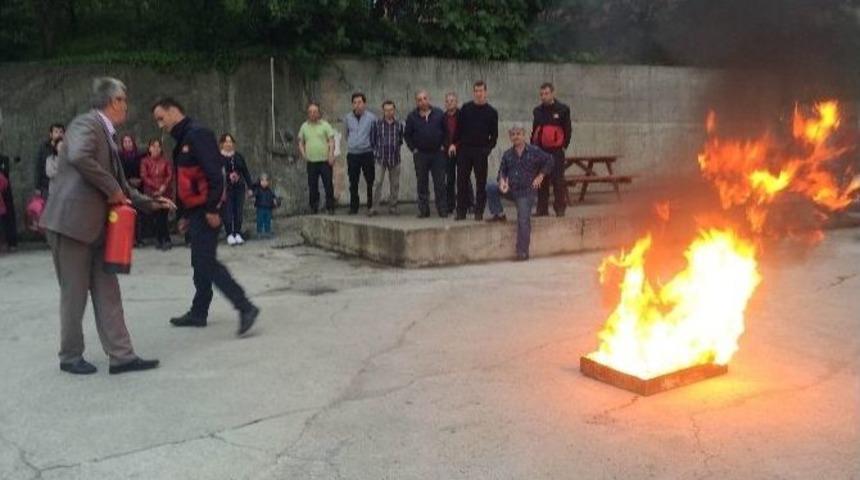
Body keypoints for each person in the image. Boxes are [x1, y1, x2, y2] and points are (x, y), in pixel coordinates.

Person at [40, 77, 175, 375]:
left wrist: (152, 202)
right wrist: (113, 189)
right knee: (74, 293)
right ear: (115, 101)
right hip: (71, 226)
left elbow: (123, 186)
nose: (127, 105)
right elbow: (79, 157)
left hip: (99, 228)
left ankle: (122, 356)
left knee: (107, 290)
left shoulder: (106, 133)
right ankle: (70, 356)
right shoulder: (85, 124)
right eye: (124, 100)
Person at [151, 97, 259, 336]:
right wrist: (184, 214)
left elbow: (215, 175)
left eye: (161, 118)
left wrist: (211, 209)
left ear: (173, 111)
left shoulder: (198, 134)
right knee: (200, 262)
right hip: (196, 211)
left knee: (205, 262)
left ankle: (245, 307)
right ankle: (199, 312)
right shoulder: (183, 139)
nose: (160, 125)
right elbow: (186, 180)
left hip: (207, 210)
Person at [486, 124, 554, 261]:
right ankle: (499, 214)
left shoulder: (534, 151)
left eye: (518, 134)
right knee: (491, 187)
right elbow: (502, 172)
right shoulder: (507, 155)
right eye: (513, 134)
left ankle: (522, 252)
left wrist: (540, 176)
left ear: (524, 135)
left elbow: (550, 160)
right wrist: (503, 181)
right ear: (510, 137)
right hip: (512, 190)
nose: (516, 136)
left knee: (523, 221)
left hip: (526, 193)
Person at [451, 80, 498, 221]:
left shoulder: (491, 112)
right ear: (473, 92)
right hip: (464, 150)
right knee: (461, 182)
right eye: (476, 91)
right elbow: (458, 130)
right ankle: (461, 212)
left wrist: (487, 149)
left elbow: (494, 135)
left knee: (481, 183)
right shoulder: (465, 108)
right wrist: (454, 144)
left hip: (480, 151)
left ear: (485, 92)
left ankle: (479, 212)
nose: (478, 93)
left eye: (481, 91)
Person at [404, 90, 448, 218]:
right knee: (422, 183)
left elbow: (446, 132)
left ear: (428, 99)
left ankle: (442, 209)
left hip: (437, 154)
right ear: (416, 102)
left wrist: (443, 146)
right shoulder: (412, 116)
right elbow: (407, 135)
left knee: (440, 183)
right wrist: (414, 149)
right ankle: (424, 210)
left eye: (424, 98)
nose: (422, 101)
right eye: (419, 99)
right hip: (421, 155)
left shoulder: (439, 113)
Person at [532, 82, 572, 217]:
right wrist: (533, 148)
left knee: (557, 180)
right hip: (541, 151)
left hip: (556, 151)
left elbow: (568, 130)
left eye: (546, 93)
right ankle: (542, 209)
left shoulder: (563, 109)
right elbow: (534, 130)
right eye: (541, 94)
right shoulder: (537, 111)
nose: (543, 96)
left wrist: (563, 146)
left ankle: (560, 209)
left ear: (553, 93)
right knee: (541, 180)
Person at [298, 102, 336, 214]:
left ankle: (330, 207)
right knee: (312, 186)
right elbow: (300, 142)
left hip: (325, 160)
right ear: (307, 114)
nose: (313, 114)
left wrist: (331, 154)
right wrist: (303, 154)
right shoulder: (304, 126)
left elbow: (332, 141)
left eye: (315, 111)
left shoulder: (325, 125)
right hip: (311, 161)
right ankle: (314, 207)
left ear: (319, 113)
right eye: (310, 112)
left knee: (328, 184)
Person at [344, 92, 377, 214]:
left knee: (370, 180)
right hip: (353, 154)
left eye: (359, 102)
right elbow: (346, 134)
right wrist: (354, 144)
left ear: (364, 103)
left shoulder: (372, 118)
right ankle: (354, 207)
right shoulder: (347, 118)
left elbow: (375, 135)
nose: (357, 105)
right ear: (352, 104)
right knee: (353, 181)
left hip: (367, 153)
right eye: (354, 103)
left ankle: (370, 205)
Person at [369, 100, 404, 216]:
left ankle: (393, 207)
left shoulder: (399, 125)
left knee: (395, 184)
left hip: (395, 159)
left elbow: (400, 141)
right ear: (383, 111)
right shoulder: (377, 124)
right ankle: (374, 208)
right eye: (386, 110)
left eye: (391, 110)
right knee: (377, 183)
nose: (389, 112)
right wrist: (376, 153)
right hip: (380, 159)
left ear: (394, 110)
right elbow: (372, 140)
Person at [443, 92, 474, 216]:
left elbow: (465, 133)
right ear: (445, 103)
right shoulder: (442, 117)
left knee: (464, 178)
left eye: (452, 100)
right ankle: (450, 205)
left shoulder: (463, 116)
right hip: (447, 152)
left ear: (456, 102)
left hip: (462, 151)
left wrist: (455, 145)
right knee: (449, 179)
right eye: (448, 101)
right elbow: (442, 135)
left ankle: (470, 204)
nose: (450, 103)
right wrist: (447, 146)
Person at [140, 138, 174, 250]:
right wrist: (156, 187)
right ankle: (161, 239)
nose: (156, 149)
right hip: (151, 192)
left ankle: (165, 239)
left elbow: (169, 175)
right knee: (157, 216)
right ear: (149, 148)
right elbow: (144, 176)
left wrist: (163, 186)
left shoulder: (166, 161)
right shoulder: (144, 161)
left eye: (158, 146)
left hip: (165, 192)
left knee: (163, 216)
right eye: (153, 146)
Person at [220, 133, 252, 246]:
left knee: (238, 211)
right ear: (222, 144)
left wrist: (250, 187)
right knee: (227, 211)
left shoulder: (238, 156)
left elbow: (246, 172)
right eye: (226, 141)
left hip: (239, 188)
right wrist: (229, 175)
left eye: (230, 142)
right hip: (226, 189)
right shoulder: (218, 157)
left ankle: (237, 233)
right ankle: (229, 234)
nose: (228, 144)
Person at [119, 134, 145, 245]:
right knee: (127, 213)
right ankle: (128, 238)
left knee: (138, 213)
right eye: (125, 142)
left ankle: (139, 238)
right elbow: (119, 172)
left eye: (129, 141)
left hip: (139, 186)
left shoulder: (140, 156)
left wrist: (140, 180)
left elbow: (144, 170)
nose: (127, 144)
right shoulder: (119, 156)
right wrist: (128, 181)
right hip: (125, 187)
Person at [34, 123, 64, 197]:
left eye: (61, 132)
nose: (59, 134)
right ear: (51, 134)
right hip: (46, 187)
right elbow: (38, 167)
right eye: (56, 132)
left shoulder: (68, 148)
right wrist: (37, 187)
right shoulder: (44, 147)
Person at [250, 173, 280, 238]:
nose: (264, 182)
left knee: (268, 220)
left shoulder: (270, 191)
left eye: (266, 181)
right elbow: (254, 194)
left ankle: (267, 231)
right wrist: (251, 194)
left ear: (268, 182)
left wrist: (275, 201)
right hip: (260, 208)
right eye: (262, 180)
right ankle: (259, 232)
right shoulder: (258, 190)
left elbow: (273, 196)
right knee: (259, 220)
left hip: (268, 208)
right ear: (259, 181)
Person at [0, 153, 19, 251]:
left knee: (7, 217)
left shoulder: (4, 159)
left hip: (4, 193)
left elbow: (5, 176)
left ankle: (11, 241)